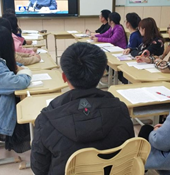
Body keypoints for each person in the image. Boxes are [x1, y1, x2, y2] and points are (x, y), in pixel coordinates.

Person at [31, 42, 134, 175]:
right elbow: (128, 154)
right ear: (103, 72)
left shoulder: (46, 119)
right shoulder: (121, 110)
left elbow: (38, 168)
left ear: (64, 77)